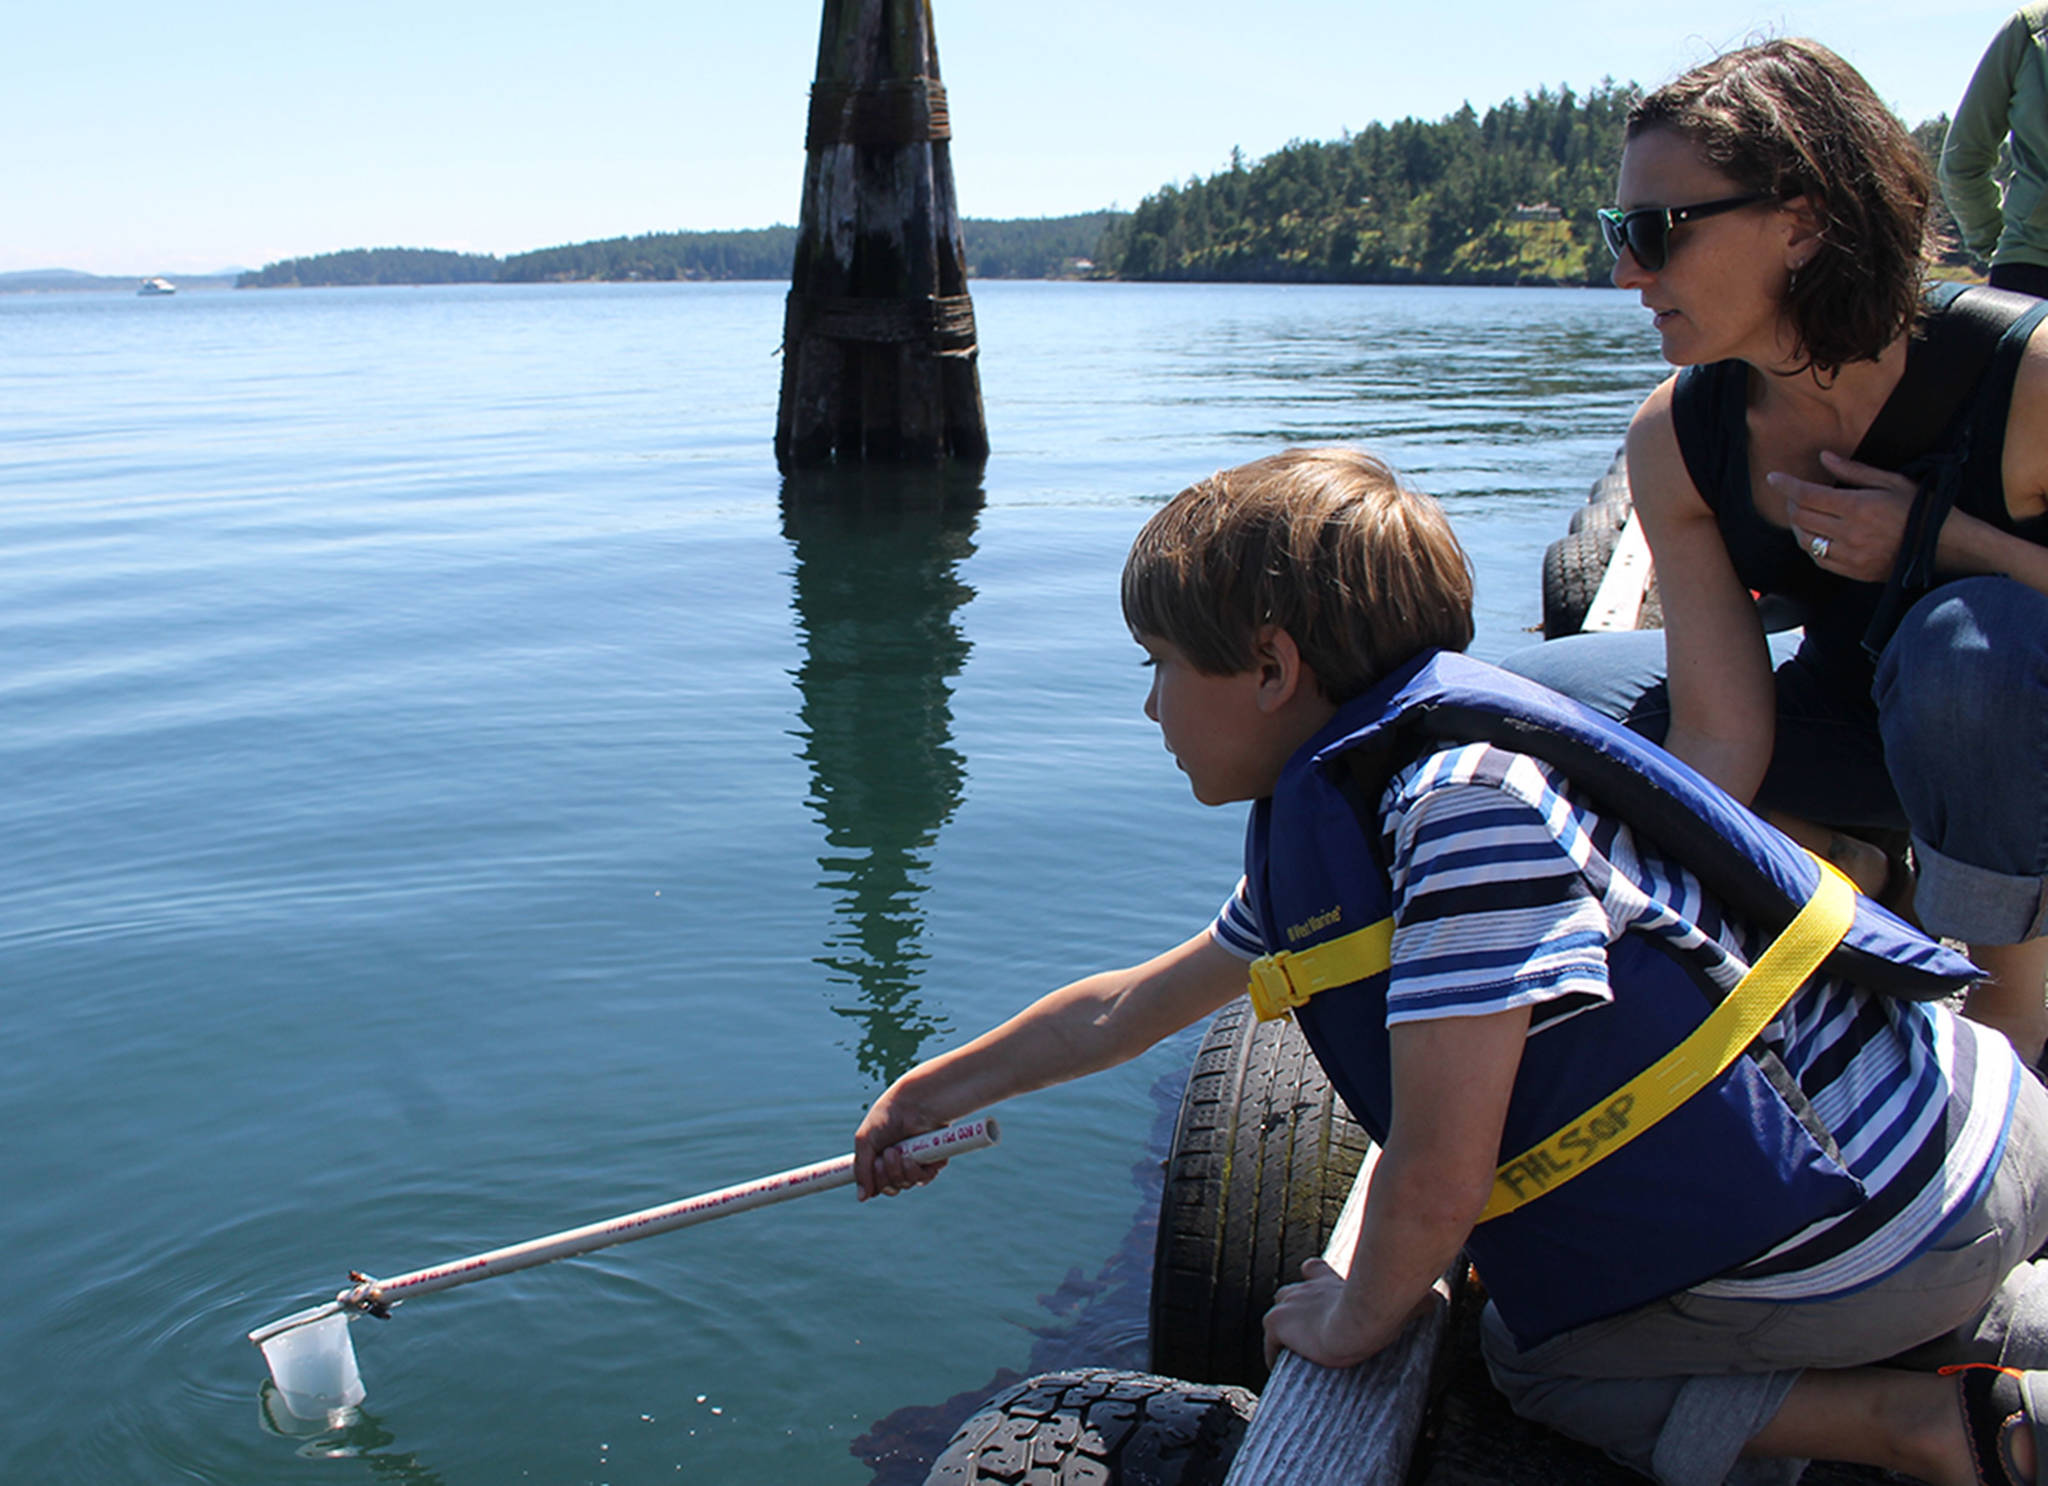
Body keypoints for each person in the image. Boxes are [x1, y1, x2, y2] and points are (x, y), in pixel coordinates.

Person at [857, 445, 2048, 1485]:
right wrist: (933, 1094)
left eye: (1158, 663)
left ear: (1270, 669)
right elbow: (1122, 1011)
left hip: (1906, 1209)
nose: (1152, 706)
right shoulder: (1393, 796)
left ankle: (1921, 1423)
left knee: (1532, 1366)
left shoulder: (1459, 817)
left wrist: (1360, 1307)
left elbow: (1434, 1169)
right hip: (1965, 1123)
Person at [1502, 38, 2048, 1066]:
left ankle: (2011, 1010)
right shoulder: (1677, 437)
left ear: (1797, 224)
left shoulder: (2022, 376)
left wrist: (1937, 540)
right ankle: (1855, 873)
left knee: (1963, 647)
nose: (1624, 268)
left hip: (2014, 739)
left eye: (1656, 232)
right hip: (1868, 732)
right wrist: (1647, 906)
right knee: (1515, 712)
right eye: (1619, 230)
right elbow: (1720, 730)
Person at [1942, 5, 2048, 298]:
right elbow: (1962, 162)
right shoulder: (2030, 30)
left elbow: (1961, 162)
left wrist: (2000, 242)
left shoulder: (2029, 30)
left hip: (2028, 273)